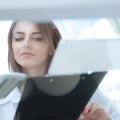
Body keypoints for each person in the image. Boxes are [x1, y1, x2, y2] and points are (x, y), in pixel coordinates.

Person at [3, 21, 120, 120]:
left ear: (51, 48)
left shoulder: (80, 87)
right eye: (19, 39)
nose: (26, 44)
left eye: (37, 38)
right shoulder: (3, 97)